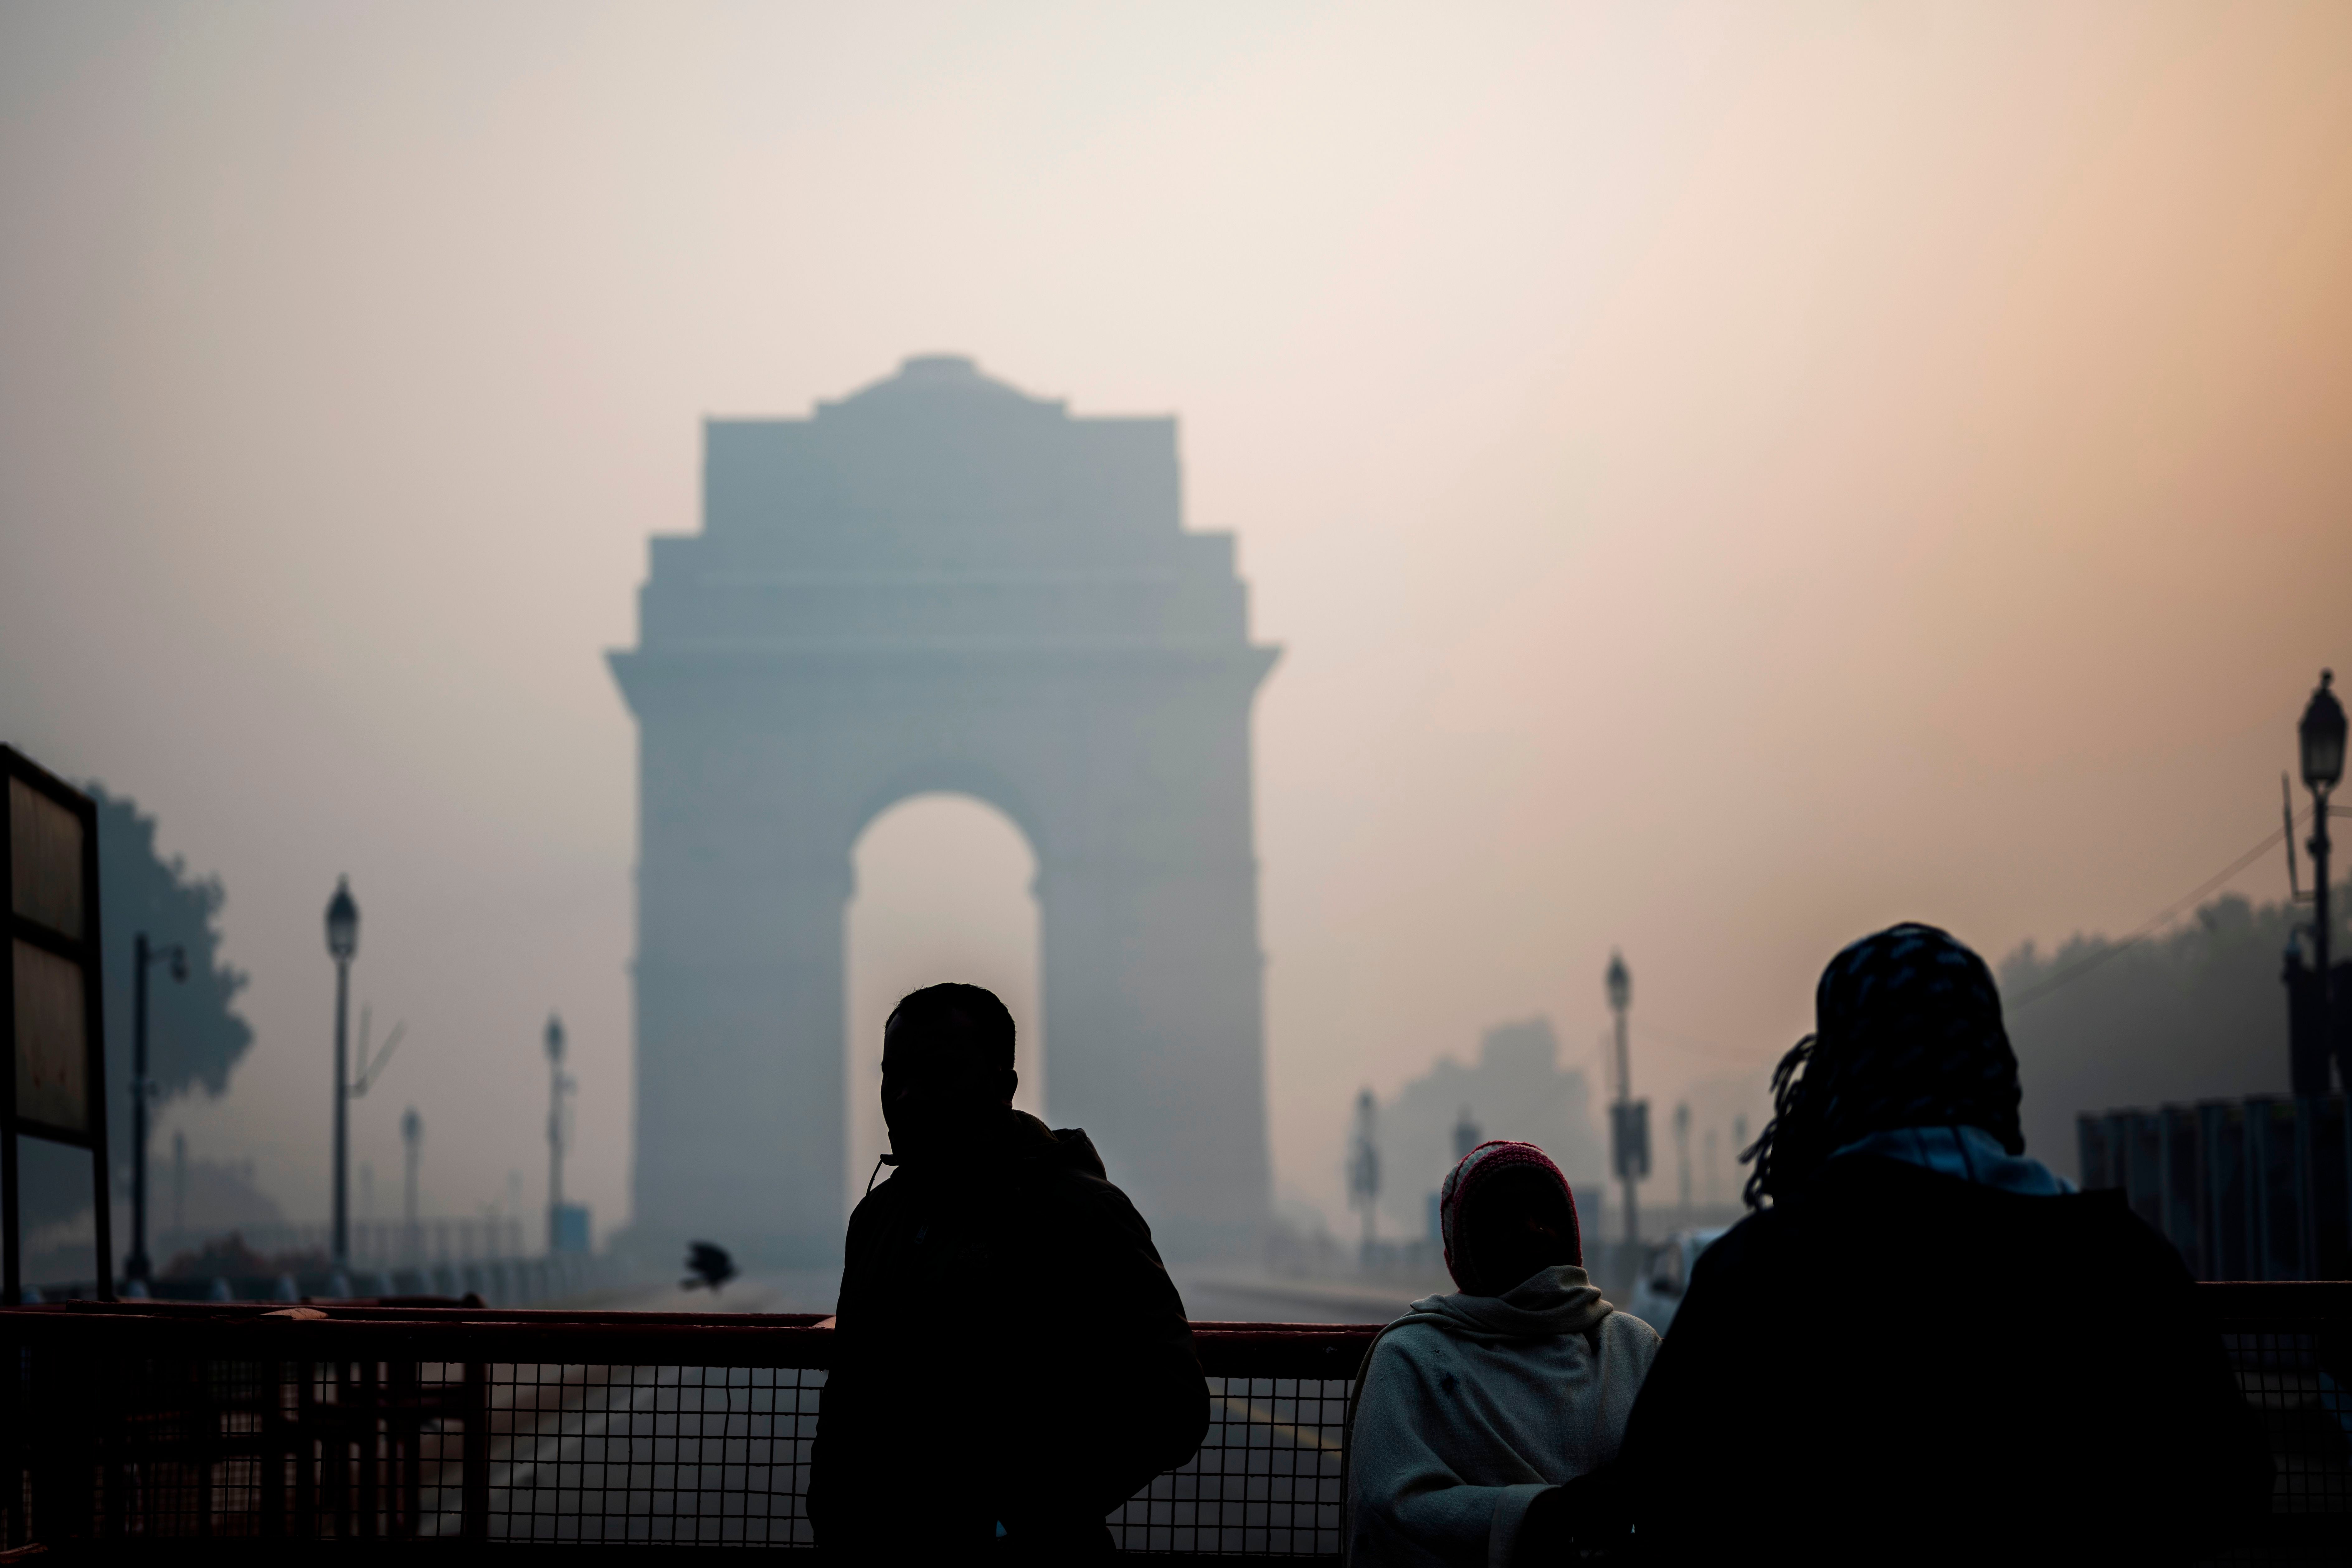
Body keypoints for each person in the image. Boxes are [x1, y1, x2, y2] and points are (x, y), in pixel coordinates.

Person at [1597, 921, 2271, 1565]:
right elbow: (2227, 1488)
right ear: (1993, 1059)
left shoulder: (1757, 1272)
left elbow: (1659, 1499)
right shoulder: (2120, 1260)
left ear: (1837, 1073)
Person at [808, 983, 1209, 1564]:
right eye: (893, 1075)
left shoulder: (1083, 1213)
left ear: (1004, 1085)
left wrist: (1017, 1519)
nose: (907, 1096)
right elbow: (847, 1395)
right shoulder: (877, 1218)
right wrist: (832, 1519)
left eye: (939, 1073)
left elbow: (1174, 1409)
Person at [1344, 1140, 1660, 1568]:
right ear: (1464, 1251)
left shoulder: (1633, 1345)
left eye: (1546, 1213)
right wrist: (1550, 1515)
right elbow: (1395, 1511)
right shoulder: (1413, 1357)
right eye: (1505, 1220)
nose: (1532, 1228)